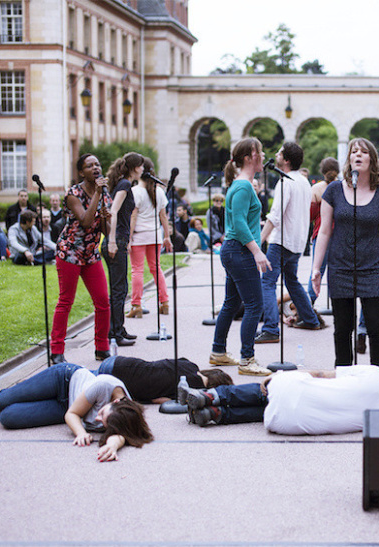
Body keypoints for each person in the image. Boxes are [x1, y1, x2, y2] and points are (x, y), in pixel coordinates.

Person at [311, 138, 379, 376]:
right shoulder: (333, 191)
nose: (357, 155)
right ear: (349, 159)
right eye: (353, 152)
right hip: (340, 267)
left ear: (371, 158)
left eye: (363, 152)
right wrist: (316, 268)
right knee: (342, 329)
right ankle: (344, 379)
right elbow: (324, 231)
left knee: (376, 329)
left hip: (372, 268)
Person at [0, 363, 152, 462]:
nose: (98, 419)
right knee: (2, 402)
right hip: (63, 381)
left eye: (103, 422)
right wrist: (81, 432)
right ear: (115, 402)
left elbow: (123, 434)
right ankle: (2, 397)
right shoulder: (104, 385)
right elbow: (72, 415)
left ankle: (17, 400)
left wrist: (113, 446)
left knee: (7, 418)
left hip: (65, 406)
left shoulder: (125, 417)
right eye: (102, 413)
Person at [210, 138, 272, 376]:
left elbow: (241, 221)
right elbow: (237, 223)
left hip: (234, 250)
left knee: (231, 303)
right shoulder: (244, 186)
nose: (264, 156)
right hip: (239, 251)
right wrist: (257, 251)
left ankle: (218, 352)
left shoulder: (241, 184)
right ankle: (247, 360)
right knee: (255, 306)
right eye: (261, 152)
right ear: (250, 156)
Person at [181, 365, 379, 433]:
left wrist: (279, 374)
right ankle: (216, 414)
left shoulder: (375, 374)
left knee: (270, 389)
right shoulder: (377, 422)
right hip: (287, 425)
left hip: (293, 392)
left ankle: (210, 396)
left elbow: (320, 374)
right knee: (273, 408)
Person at [51, 154, 112, 364]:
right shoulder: (73, 194)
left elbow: (105, 230)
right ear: (81, 172)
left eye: (97, 164)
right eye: (89, 165)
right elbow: (86, 221)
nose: (95, 168)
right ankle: (57, 350)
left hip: (91, 253)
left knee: (103, 301)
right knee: (66, 301)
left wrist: (106, 218)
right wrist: (97, 194)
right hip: (70, 252)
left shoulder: (105, 194)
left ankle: (101, 348)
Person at [258, 142, 321, 343]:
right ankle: (310, 319)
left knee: (267, 283)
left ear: (285, 160)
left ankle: (270, 329)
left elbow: (275, 216)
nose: (275, 154)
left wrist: (259, 240)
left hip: (281, 241)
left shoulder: (285, 182)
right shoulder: (303, 182)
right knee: (291, 280)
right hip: (297, 241)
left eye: (279, 152)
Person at [102, 152, 142, 347]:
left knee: (120, 288)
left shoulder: (124, 184)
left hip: (119, 240)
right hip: (114, 241)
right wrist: (112, 241)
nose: (143, 169)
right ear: (135, 168)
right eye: (141, 166)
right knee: (119, 290)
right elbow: (114, 211)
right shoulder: (125, 185)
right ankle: (115, 333)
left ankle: (118, 328)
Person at [128, 162, 171, 319]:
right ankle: (164, 302)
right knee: (156, 268)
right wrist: (167, 236)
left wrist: (129, 237)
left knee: (137, 269)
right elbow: (163, 216)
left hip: (139, 235)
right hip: (155, 235)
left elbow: (133, 216)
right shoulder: (159, 191)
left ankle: (136, 305)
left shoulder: (135, 191)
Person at [95, 355, 232, 403]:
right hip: (119, 382)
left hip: (121, 362)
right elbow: (158, 400)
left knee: (86, 376)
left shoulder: (190, 365)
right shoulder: (189, 390)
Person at [307, 157, 339, 306]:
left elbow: (310, 216)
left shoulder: (316, 189)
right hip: (340, 234)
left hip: (321, 234)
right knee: (337, 272)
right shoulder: (342, 187)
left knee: (317, 270)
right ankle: (337, 305)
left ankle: (309, 305)